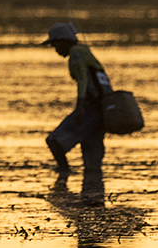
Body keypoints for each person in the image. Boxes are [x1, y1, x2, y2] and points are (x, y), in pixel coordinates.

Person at [42, 22, 109, 203]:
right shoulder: (84, 51)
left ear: (64, 41)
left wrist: (80, 106)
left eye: (55, 44)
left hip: (91, 108)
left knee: (54, 141)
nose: (55, 49)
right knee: (92, 158)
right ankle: (94, 201)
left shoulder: (76, 53)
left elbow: (82, 80)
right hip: (101, 109)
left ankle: (64, 173)